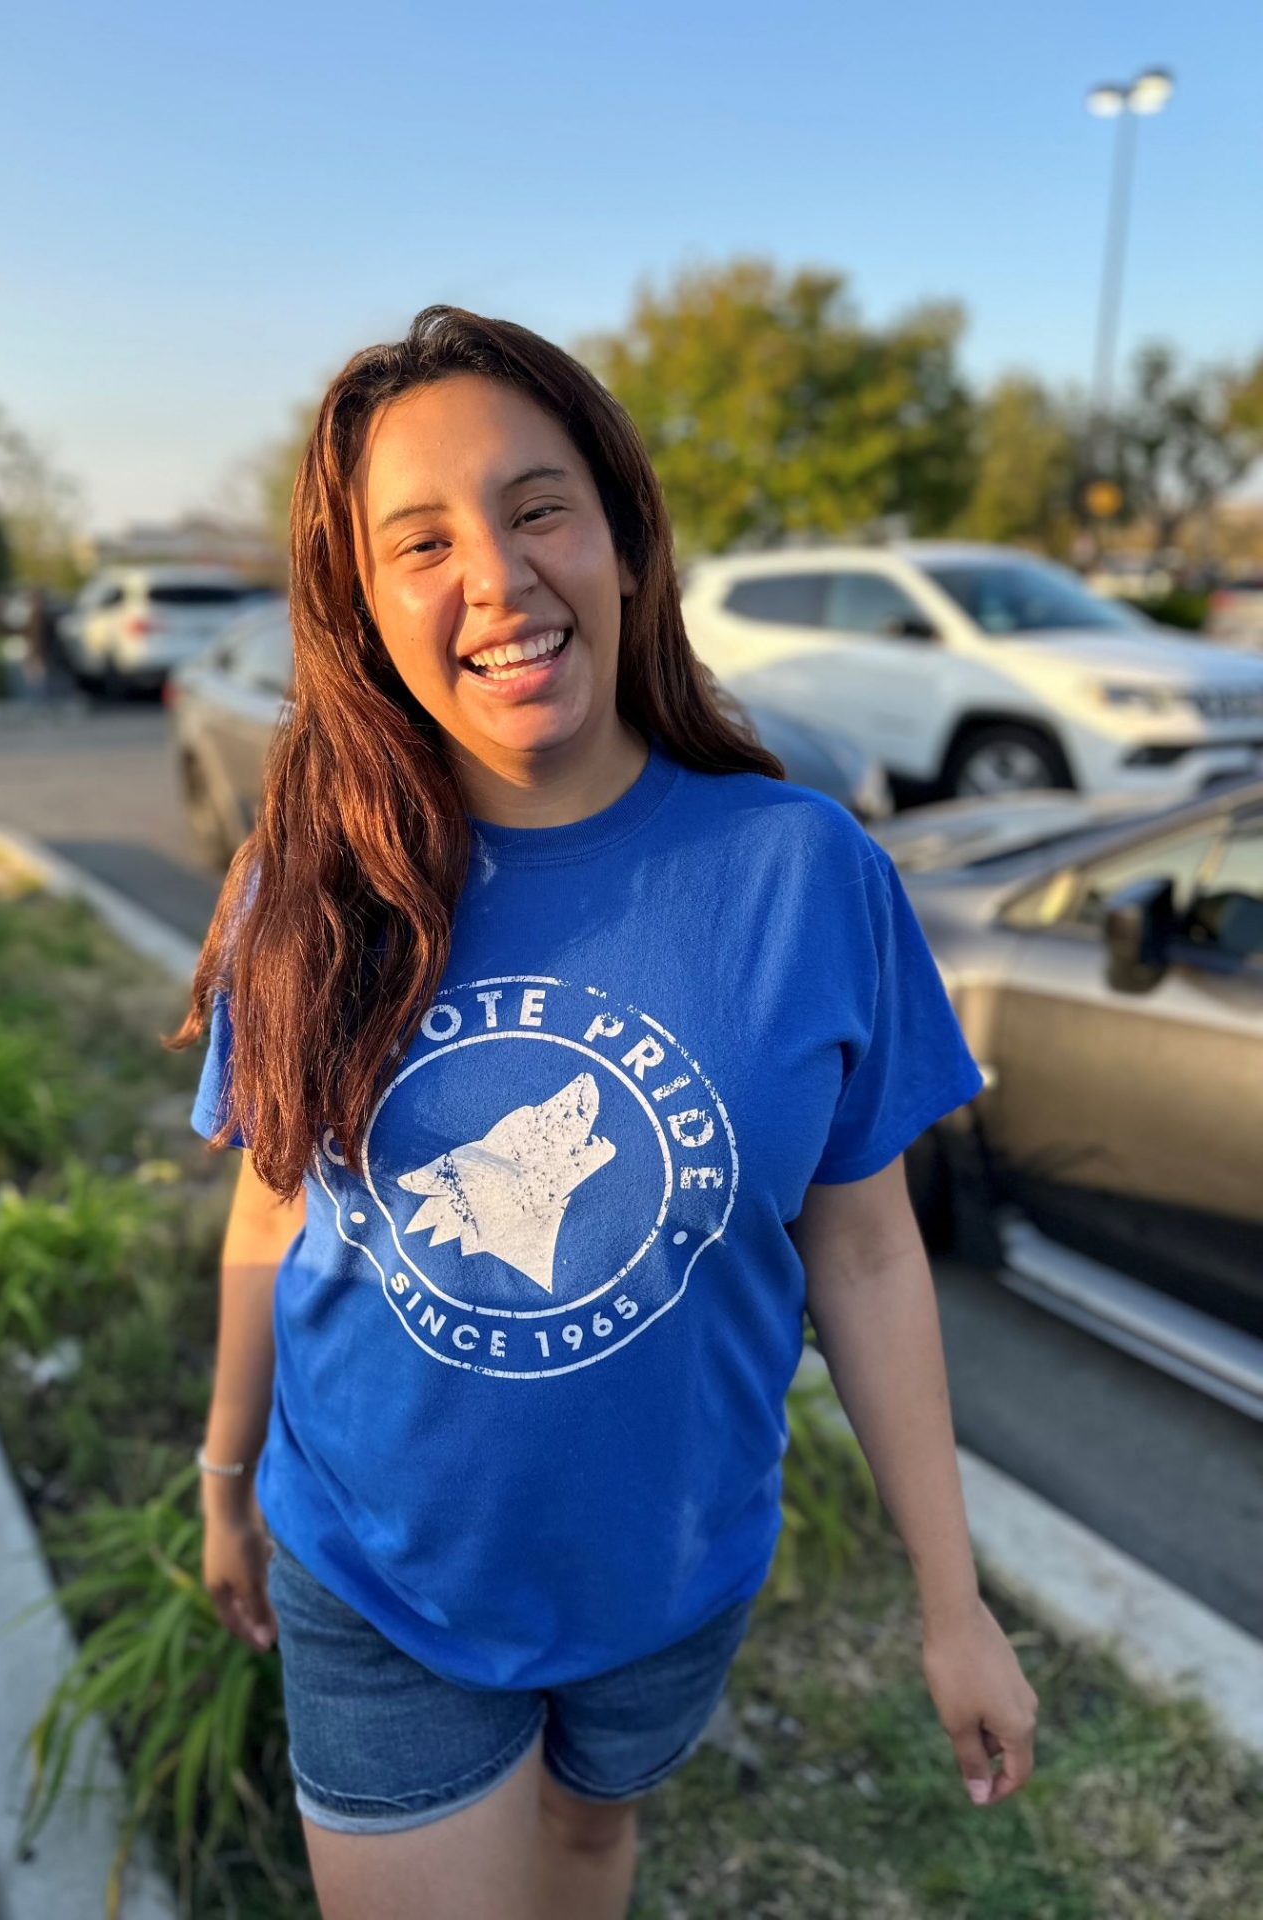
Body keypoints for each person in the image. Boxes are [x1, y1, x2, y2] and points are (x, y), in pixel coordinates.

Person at [174, 305, 1038, 1920]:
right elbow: (272, 1209)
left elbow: (865, 1256)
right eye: (419, 540)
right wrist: (225, 1476)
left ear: (628, 540)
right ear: (363, 605)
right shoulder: (303, 887)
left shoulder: (802, 873)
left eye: (537, 505)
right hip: (379, 1573)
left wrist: (952, 1602)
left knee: (590, 1844)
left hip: (672, 1576)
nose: (496, 577)